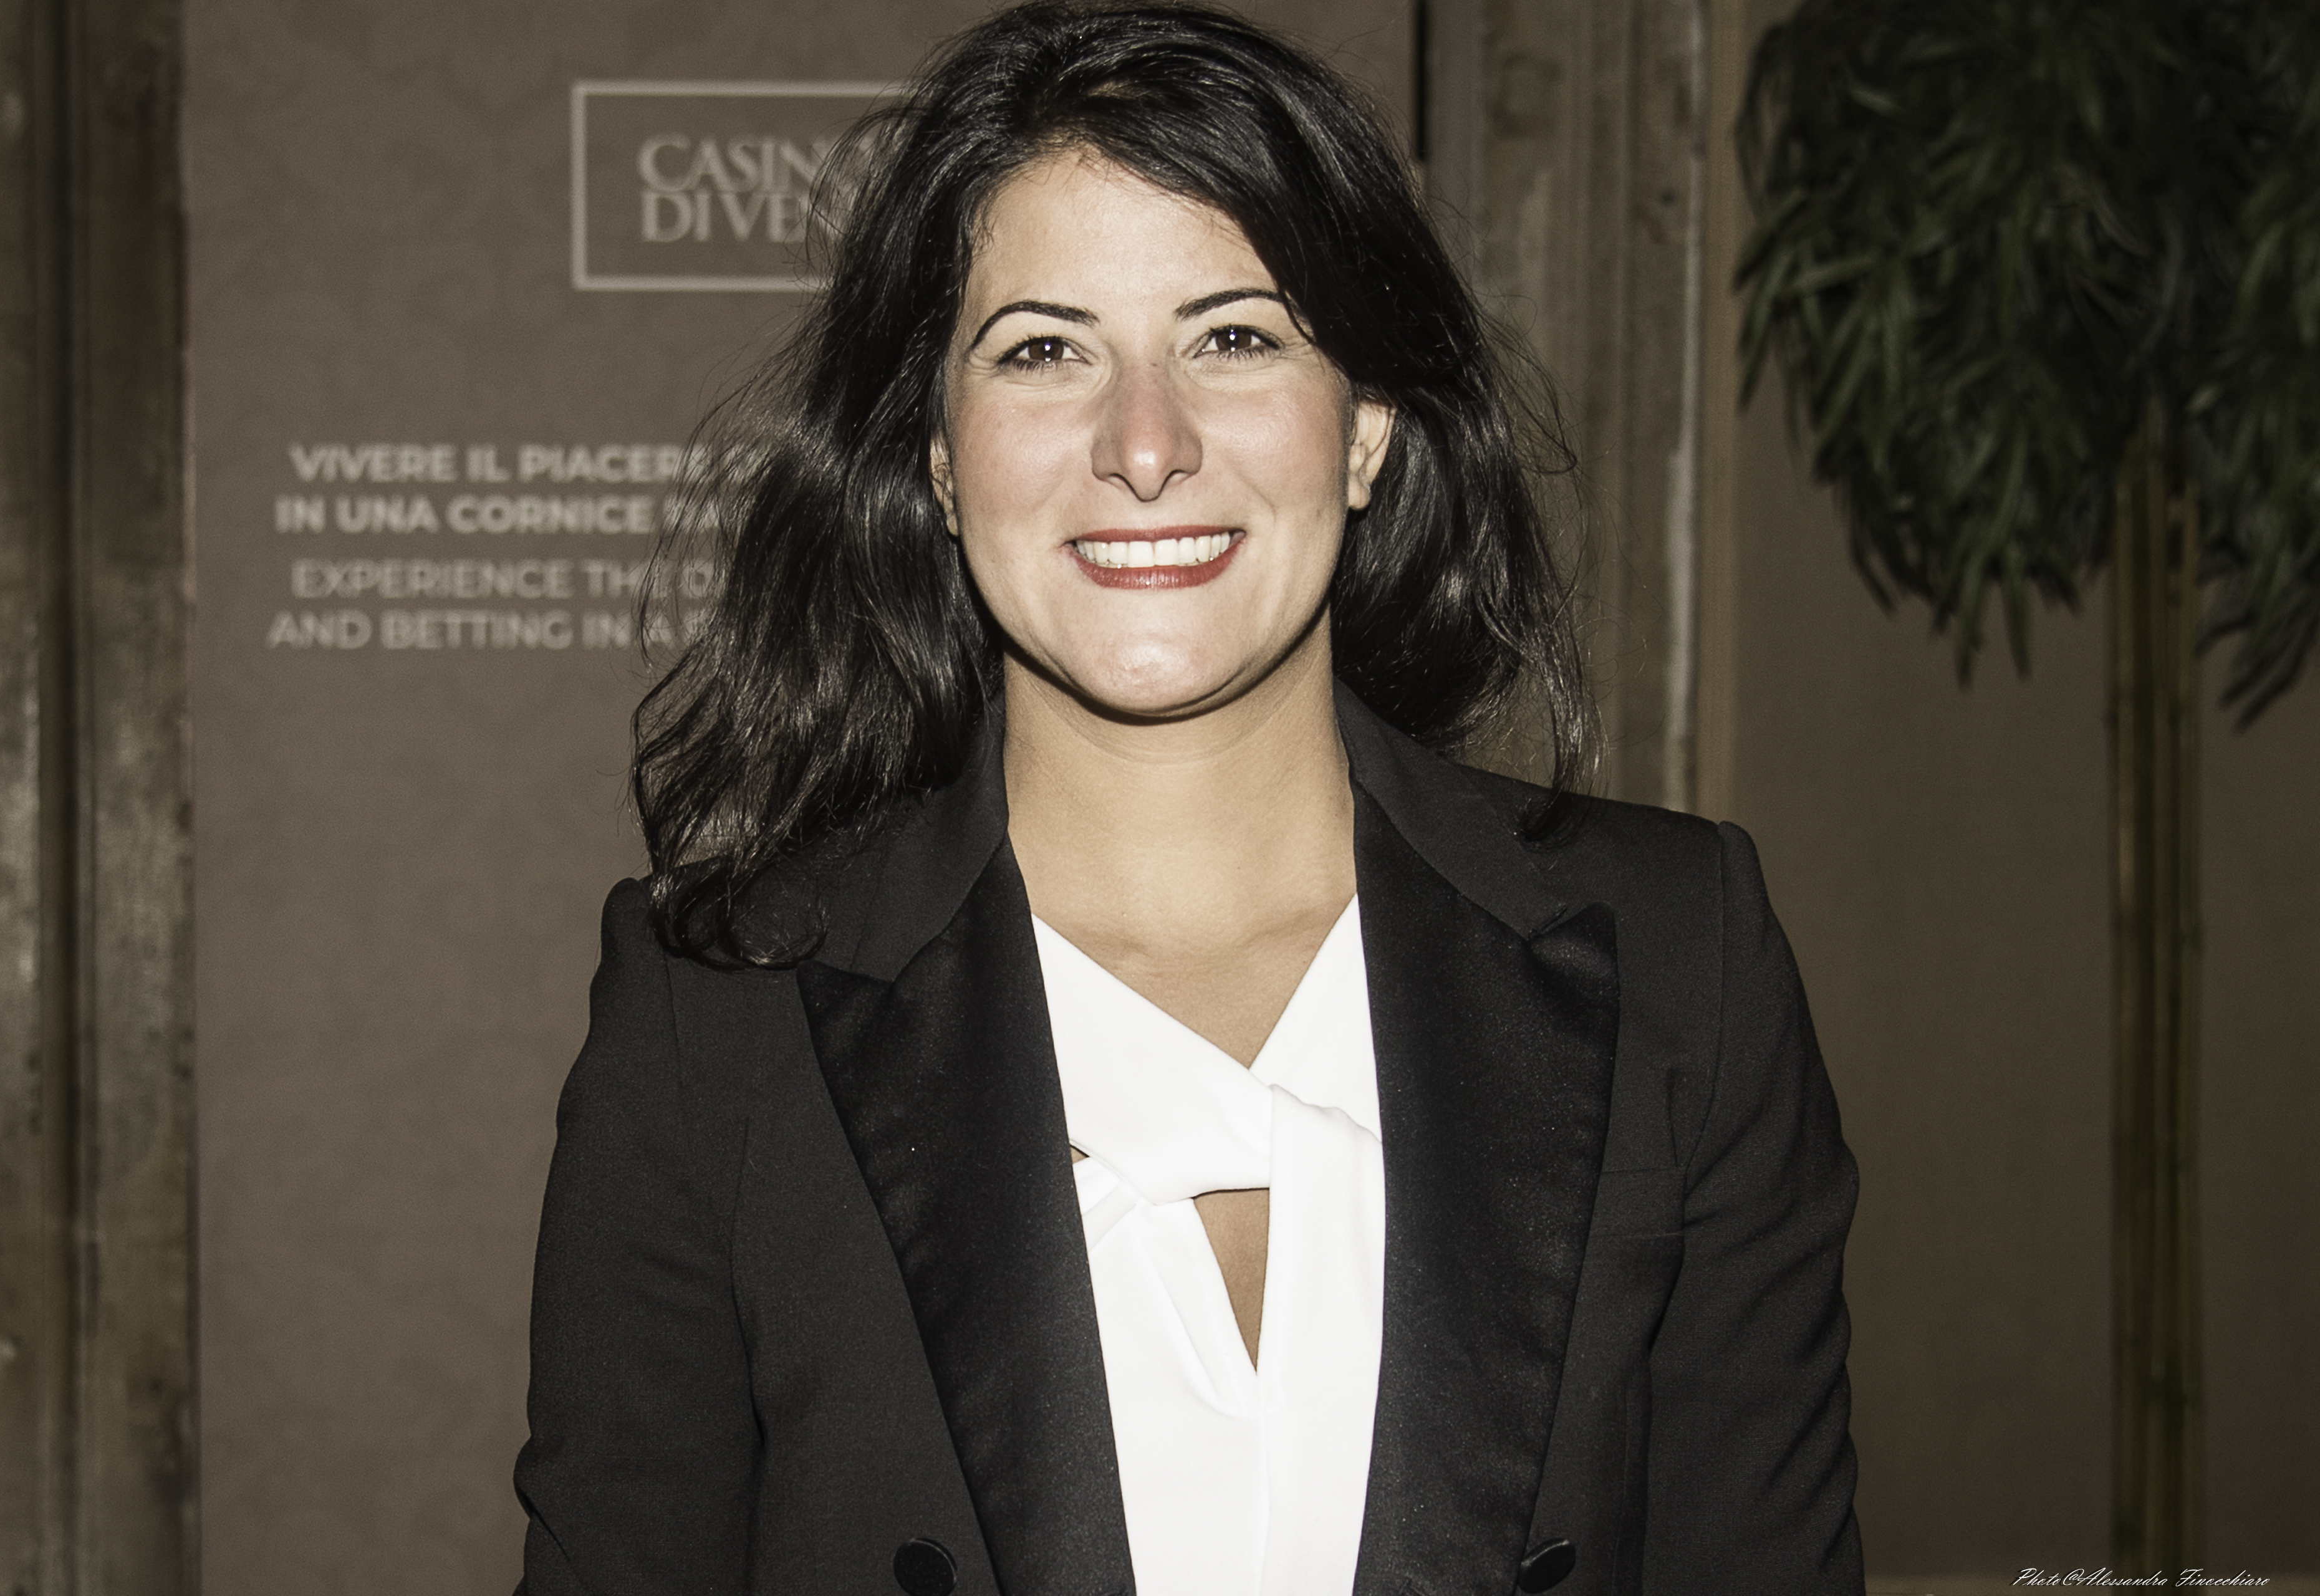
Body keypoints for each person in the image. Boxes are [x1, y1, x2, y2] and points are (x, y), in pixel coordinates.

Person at [514, 4, 1863, 1594]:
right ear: (940, 455)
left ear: (1364, 428)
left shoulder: (1682, 956)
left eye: (1233, 338)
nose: (1144, 445)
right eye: (1045, 350)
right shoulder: (719, 1016)